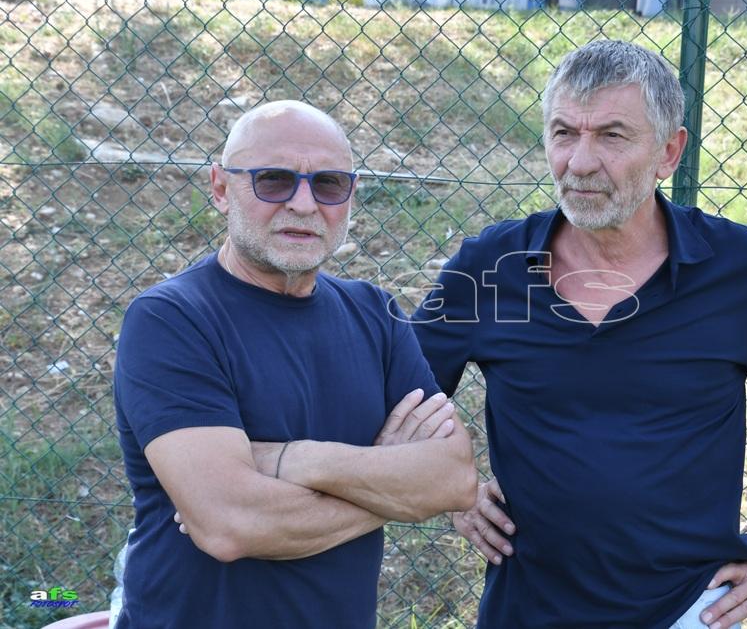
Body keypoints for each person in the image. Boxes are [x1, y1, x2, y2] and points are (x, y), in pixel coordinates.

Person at [407, 41, 747, 629]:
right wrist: (450, 488)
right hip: (525, 609)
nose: (580, 162)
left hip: (691, 608)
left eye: (612, 136)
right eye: (564, 133)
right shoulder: (490, 269)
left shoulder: (742, 271)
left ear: (669, 152)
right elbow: (399, 395)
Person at [112, 100, 476, 629]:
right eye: (274, 180)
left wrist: (295, 460)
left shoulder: (374, 314)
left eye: (328, 184)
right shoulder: (173, 319)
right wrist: (392, 488)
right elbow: (230, 525)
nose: (304, 204)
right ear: (221, 188)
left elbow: (453, 478)